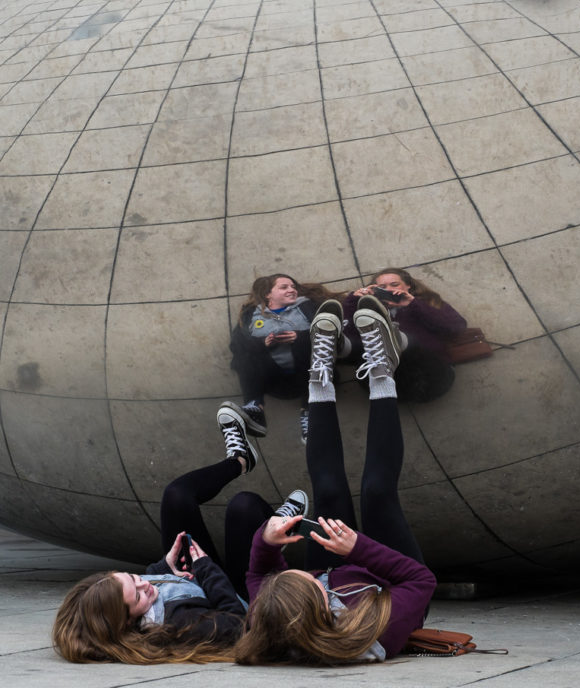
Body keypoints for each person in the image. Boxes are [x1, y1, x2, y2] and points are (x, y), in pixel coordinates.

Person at [232, 297, 437, 665]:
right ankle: (381, 372)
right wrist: (357, 548)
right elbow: (421, 581)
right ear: (322, 603)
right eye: (311, 580)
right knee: (376, 494)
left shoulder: (271, 617)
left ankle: (319, 373)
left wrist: (265, 541)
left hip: (341, 572)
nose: (312, 574)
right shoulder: (378, 631)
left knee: (327, 493)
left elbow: (260, 574)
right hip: (392, 584)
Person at [51, 406, 302, 664]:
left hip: (196, 580)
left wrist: (165, 566)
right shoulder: (178, 626)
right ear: (127, 622)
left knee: (176, 496)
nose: (145, 584)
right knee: (243, 506)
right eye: (138, 595)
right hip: (236, 597)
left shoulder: (134, 597)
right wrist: (205, 569)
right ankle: (279, 530)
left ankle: (239, 459)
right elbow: (237, 622)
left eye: (133, 578)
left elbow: (144, 582)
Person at [228, 273, 345, 445]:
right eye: (284, 287)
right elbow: (236, 347)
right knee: (244, 354)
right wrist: (263, 343)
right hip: (272, 379)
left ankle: (310, 413)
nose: (291, 290)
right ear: (268, 294)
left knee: (305, 344)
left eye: (293, 287)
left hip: (310, 377)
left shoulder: (308, 307)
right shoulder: (251, 314)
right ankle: (254, 408)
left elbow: (334, 337)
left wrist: (300, 337)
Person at [342, 267, 467, 402]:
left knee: (410, 346)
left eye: (394, 285)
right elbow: (348, 332)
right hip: (386, 383)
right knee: (358, 343)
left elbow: (457, 326)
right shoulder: (364, 310)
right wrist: (352, 302)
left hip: (432, 375)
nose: (388, 289)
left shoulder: (425, 303)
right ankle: (342, 348)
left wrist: (413, 304)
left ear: (408, 286)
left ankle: (396, 340)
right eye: (382, 287)